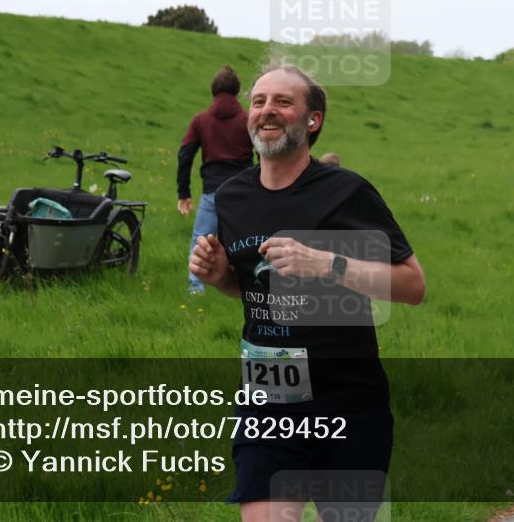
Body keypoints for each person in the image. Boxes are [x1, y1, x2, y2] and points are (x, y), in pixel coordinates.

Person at [189, 65, 425, 521]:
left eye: (282, 101)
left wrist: (327, 264)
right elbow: (253, 289)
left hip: (349, 403)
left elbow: (413, 285)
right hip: (268, 400)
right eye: (258, 101)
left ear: (312, 120)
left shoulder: (347, 192)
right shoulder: (233, 196)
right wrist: (221, 277)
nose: (266, 111)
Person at [177, 65, 254, 295]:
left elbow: (185, 155)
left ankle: (196, 287)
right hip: (243, 191)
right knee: (248, 239)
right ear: (237, 91)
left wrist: (184, 193)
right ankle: (249, 283)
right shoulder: (248, 120)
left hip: (212, 191)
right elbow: (264, 153)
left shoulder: (200, 121)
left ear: (213, 90)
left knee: (201, 240)